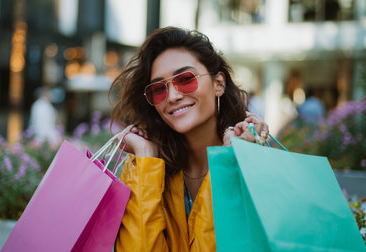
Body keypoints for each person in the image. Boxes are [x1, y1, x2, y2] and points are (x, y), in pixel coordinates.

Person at [110, 27, 269, 251]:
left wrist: (228, 163)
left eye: (185, 79)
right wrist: (146, 158)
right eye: (158, 89)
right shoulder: (143, 168)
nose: (173, 96)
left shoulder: (251, 161)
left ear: (219, 84)